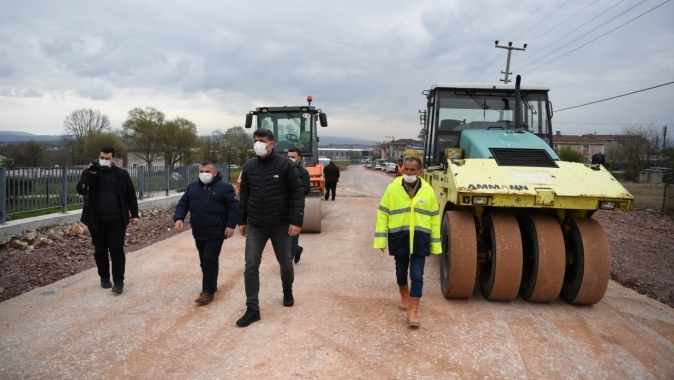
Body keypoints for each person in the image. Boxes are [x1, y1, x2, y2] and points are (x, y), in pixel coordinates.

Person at [236, 128, 305, 327]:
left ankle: (287, 289)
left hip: (280, 224)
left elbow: (297, 195)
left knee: (285, 262)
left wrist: (296, 221)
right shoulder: (249, 167)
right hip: (256, 225)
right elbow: (245, 196)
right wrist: (242, 220)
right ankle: (252, 308)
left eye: (261, 140)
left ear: (271, 143)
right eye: (255, 140)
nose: (257, 143)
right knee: (250, 265)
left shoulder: (285, 166)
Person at [373, 156, 441, 327]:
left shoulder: (428, 191)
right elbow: (383, 214)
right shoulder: (393, 188)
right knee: (401, 273)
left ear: (420, 172)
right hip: (399, 236)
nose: (409, 173)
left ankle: (412, 312)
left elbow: (434, 218)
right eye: (407, 169)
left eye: (413, 170)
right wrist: (380, 240)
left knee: (417, 275)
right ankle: (404, 294)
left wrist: (435, 244)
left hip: (420, 238)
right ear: (403, 169)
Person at [173, 161, 238, 305]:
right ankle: (211, 284)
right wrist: (179, 218)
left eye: (207, 171)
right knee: (204, 261)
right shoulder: (192, 188)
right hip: (199, 229)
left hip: (216, 230)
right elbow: (183, 204)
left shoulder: (225, 188)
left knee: (210, 259)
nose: (204, 174)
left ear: (215, 173)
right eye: (201, 171)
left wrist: (230, 225)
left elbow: (233, 208)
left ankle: (207, 291)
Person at [76, 146, 140, 294]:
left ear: (113, 159)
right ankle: (104, 277)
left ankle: (119, 282)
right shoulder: (90, 172)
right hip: (96, 220)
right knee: (100, 250)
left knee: (116, 249)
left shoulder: (121, 174)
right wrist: (90, 175)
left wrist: (134, 214)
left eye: (107, 158)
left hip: (117, 219)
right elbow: (81, 190)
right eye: (101, 158)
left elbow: (130, 195)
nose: (104, 161)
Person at [287, 148, 310, 264]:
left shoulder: (303, 173)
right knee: (282, 238)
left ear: (299, 158)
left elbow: (306, 189)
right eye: (288, 156)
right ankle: (298, 250)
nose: (290, 159)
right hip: (281, 208)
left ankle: (287, 264)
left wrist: (293, 189)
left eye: (293, 157)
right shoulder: (282, 171)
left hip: (295, 208)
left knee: (293, 237)